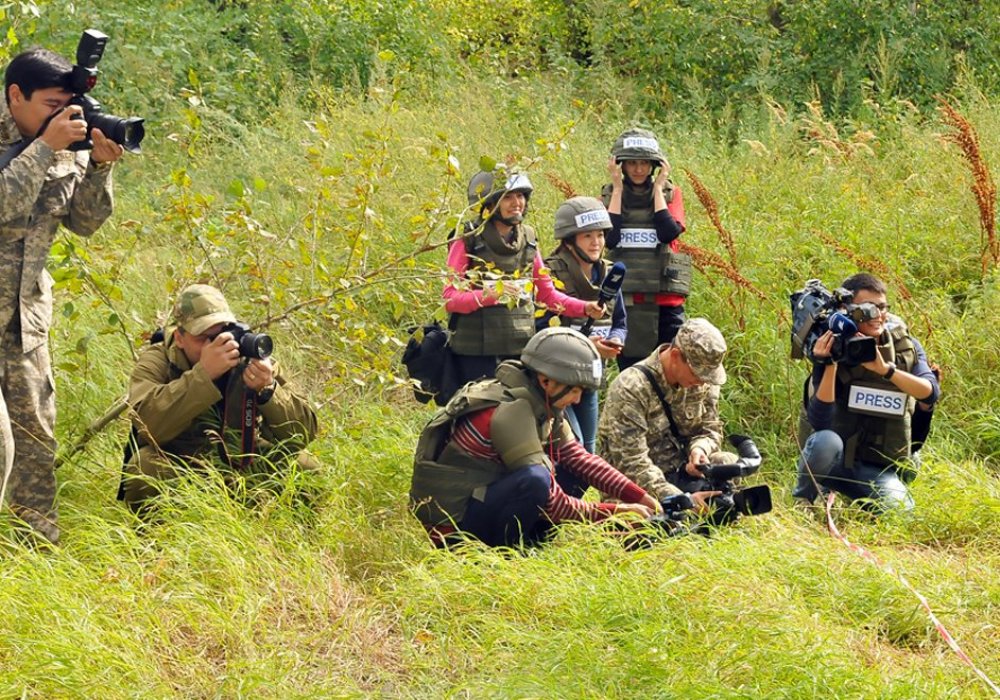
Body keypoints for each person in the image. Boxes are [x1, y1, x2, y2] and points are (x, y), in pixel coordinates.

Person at [0, 47, 124, 544]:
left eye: (67, 104)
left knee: (34, 440)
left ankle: (34, 554)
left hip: (23, 321)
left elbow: (86, 223)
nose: (63, 115)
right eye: (51, 103)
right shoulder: (45, 143)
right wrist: (43, 149)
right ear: (15, 96)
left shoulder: (62, 140)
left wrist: (97, 166)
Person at [410, 327, 660, 548]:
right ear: (546, 380)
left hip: (482, 497)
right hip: (454, 528)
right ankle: (506, 551)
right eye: (574, 390)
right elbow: (551, 500)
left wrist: (640, 496)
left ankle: (529, 541)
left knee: (574, 466)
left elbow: (581, 459)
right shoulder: (510, 411)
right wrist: (615, 512)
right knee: (536, 479)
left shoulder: (540, 401)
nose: (578, 400)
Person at [122, 285, 318, 513]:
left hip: (240, 459)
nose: (215, 345)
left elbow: (303, 433)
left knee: (306, 467)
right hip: (183, 463)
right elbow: (147, 424)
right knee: (144, 468)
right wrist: (203, 375)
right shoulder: (158, 359)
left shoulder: (245, 351)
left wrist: (268, 390)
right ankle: (160, 542)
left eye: (220, 334)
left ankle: (290, 540)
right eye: (204, 337)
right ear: (180, 337)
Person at [792, 273, 941, 513]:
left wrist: (885, 370)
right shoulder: (832, 344)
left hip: (877, 466)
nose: (877, 315)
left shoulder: (903, 346)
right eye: (868, 309)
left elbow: (930, 393)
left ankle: (860, 499)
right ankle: (806, 500)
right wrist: (829, 363)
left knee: (902, 512)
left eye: (882, 307)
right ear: (847, 310)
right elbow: (820, 421)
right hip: (834, 462)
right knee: (825, 441)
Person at [444, 170, 604, 388]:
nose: (516, 203)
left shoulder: (528, 239)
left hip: (520, 349)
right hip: (475, 354)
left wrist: (585, 308)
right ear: (490, 203)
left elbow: (547, 295)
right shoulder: (468, 239)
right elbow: (450, 299)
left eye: (520, 196)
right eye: (508, 197)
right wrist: (490, 295)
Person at [598, 318, 732, 511]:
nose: (702, 382)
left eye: (707, 376)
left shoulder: (703, 382)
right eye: (697, 374)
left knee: (727, 464)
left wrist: (700, 450)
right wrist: (682, 499)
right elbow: (631, 462)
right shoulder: (631, 387)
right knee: (648, 525)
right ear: (676, 355)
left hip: (682, 473)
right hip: (636, 486)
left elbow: (711, 430)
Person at [538, 196, 626, 453]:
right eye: (587, 236)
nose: (596, 242)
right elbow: (541, 334)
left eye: (600, 235)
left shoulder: (610, 273)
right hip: (556, 383)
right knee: (569, 447)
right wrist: (588, 346)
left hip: (590, 380)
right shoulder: (550, 275)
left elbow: (620, 322)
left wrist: (617, 340)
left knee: (588, 449)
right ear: (569, 240)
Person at [602, 128, 691, 371]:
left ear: (654, 164)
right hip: (627, 300)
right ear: (621, 164)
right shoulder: (610, 195)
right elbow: (609, 239)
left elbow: (667, 233)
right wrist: (618, 189)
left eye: (644, 163)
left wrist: (659, 188)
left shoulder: (671, 194)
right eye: (632, 163)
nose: (639, 169)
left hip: (665, 300)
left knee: (671, 372)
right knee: (632, 373)